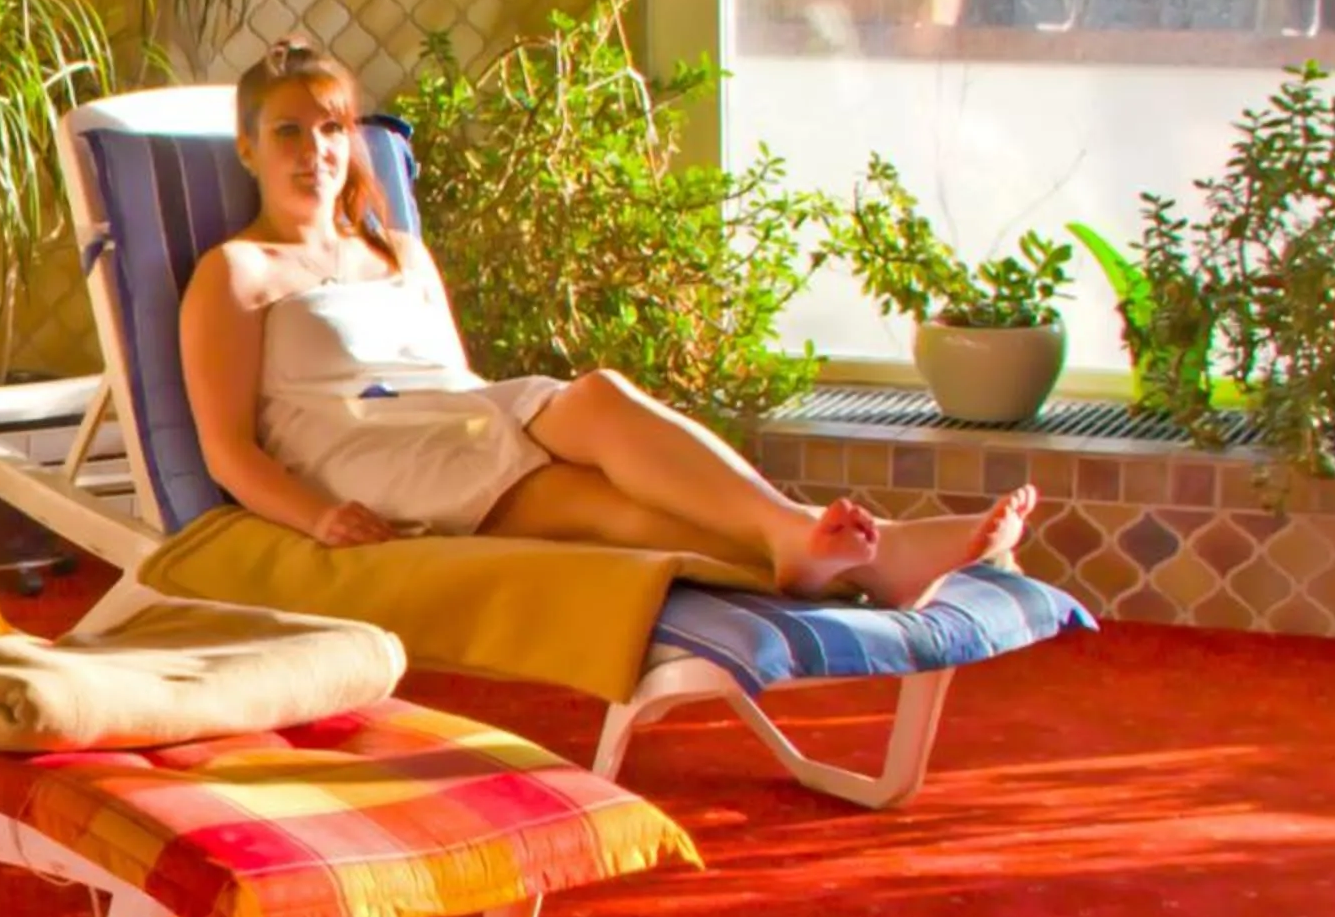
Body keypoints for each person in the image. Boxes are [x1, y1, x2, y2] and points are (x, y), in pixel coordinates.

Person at [176, 38, 1037, 608]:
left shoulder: (397, 249)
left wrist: (502, 422)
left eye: (330, 128)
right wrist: (320, 519)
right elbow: (229, 452)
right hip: (365, 453)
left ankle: (803, 539)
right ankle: (859, 556)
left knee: (599, 397)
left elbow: (457, 376)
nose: (313, 149)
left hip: (458, 413)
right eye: (287, 130)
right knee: (592, 506)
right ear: (248, 147)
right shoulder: (236, 273)